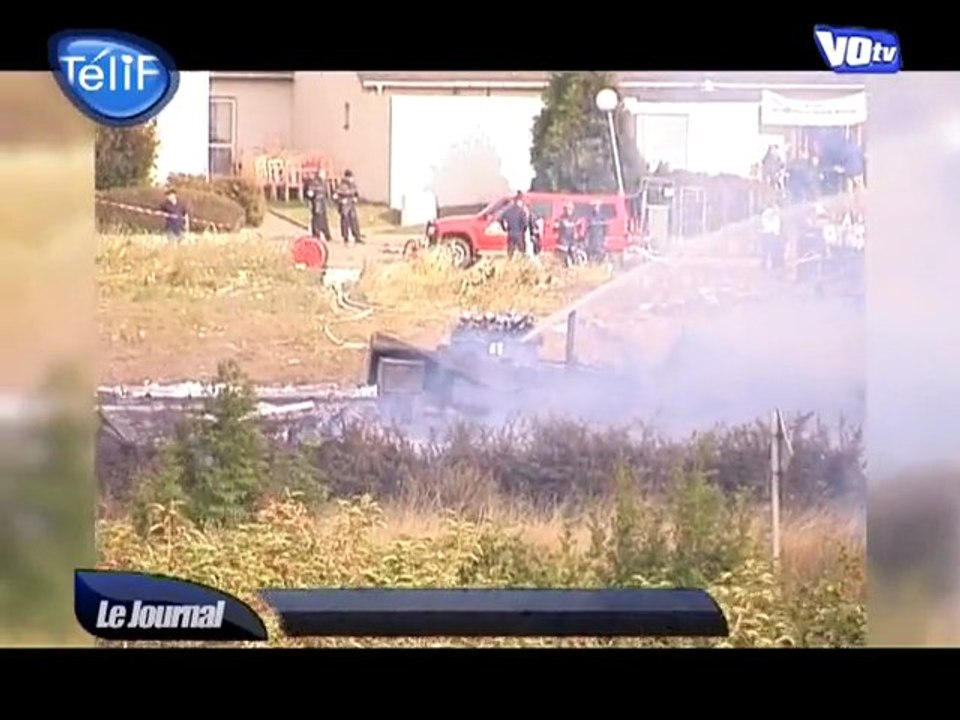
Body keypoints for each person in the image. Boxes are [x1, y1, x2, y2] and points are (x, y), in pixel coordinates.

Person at [334, 169, 363, 244]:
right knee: (345, 221)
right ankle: (345, 237)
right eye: (350, 177)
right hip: (344, 206)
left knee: (354, 221)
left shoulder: (353, 185)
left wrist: (355, 198)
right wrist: (341, 201)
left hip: (351, 204)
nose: (351, 179)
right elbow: (335, 196)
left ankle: (357, 236)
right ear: (346, 177)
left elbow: (356, 193)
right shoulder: (342, 185)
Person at [499, 192, 529, 260]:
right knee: (522, 252)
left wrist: (504, 228)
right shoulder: (521, 211)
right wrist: (523, 230)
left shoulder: (508, 211)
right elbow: (525, 223)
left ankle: (510, 264)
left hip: (510, 233)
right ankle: (522, 264)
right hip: (519, 234)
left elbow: (500, 219)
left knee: (510, 252)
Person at [304, 169, 332, 242]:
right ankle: (317, 234)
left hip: (322, 201)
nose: (324, 175)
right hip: (317, 202)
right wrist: (311, 194)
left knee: (323, 218)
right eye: (323, 174)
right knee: (317, 218)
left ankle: (325, 234)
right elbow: (310, 192)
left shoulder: (323, 182)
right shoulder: (314, 182)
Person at [759, 201, 783, 271]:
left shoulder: (767, 212)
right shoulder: (769, 212)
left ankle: (767, 264)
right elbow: (777, 213)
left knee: (767, 250)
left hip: (769, 233)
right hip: (770, 233)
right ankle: (772, 264)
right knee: (770, 250)